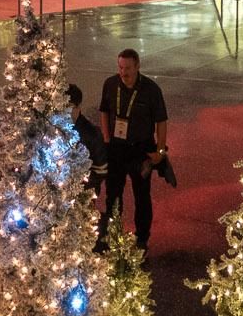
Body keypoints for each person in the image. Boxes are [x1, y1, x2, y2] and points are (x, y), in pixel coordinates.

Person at [96, 48, 168, 252]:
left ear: (138, 66)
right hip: (116, 149)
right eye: (120, 67)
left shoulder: (151, 89)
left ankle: (142, 240)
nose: (123, 73)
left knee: (142, 197)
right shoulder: (110, 84)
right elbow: (104, 111)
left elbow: (161, 121)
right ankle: (112, 235)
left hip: (141, 150)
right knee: (113, 197)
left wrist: (160, 151)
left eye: (128, 68)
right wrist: (107, 139)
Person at [67, 83, 107, 194]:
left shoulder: (91, 134)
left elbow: (100, 170)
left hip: (82, 192)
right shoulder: (55, 129)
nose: (64, 112)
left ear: (79, 106)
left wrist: (81, 187)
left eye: (69, 107)